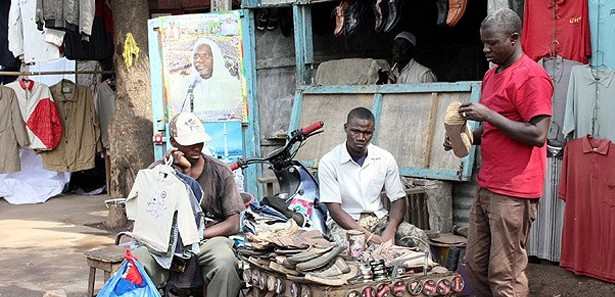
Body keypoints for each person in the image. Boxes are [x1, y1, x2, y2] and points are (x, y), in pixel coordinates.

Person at [443, 8, 553, 297]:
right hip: (489, 185)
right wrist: (464, 136)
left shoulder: (532, 77)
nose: (485, 49)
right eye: (483, 42)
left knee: (505, 273)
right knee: (475, 264)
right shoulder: (492, 75)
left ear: (514, 38)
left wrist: (489, 115)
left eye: (492, 42)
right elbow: (494, 132)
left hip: (515, 191)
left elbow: (538, 135)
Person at [132, 112, 245, 297]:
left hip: (208, 238)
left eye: (200, 140)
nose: (197, 146)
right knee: (137, 261)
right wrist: (184, 171)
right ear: (174, 143)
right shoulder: (158, 172)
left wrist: (196, 236)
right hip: (166, 243)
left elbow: (233, 223)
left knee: (224, 262)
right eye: (190, 141)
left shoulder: (220, 171)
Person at [318, 107, 428, 249]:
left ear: (373, 132)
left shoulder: (384, 158)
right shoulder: (329, 161)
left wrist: (391, 229)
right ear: (346, 128)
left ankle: (425, 271)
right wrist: (366, 235)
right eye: (355, 131)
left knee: (418, 238)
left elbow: (398, 199)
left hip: (379, 220)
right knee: (355, 248)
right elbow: (335, 210)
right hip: (345, 223)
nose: (361, 137)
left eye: (367, 133)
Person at [174, 38, 243, 122]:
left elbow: (239, 117)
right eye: (196, 56)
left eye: (205, 56)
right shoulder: (185, 86)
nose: (199, 60)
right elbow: (177, 117)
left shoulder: (232, 85)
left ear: (215, 58)